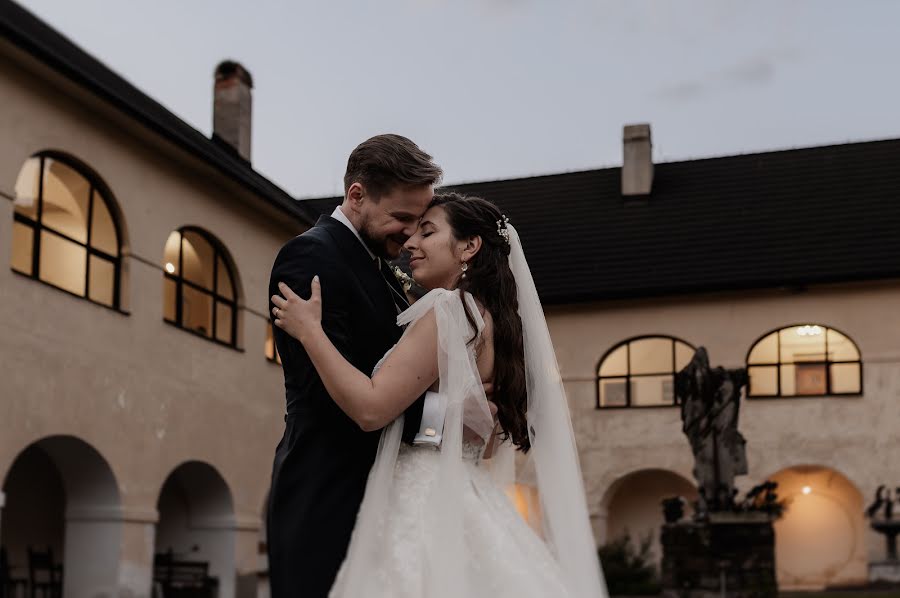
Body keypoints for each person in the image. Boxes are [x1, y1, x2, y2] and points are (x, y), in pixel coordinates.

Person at [271, 193, 608, 598]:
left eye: (427, 232)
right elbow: (479, 441)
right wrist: (442, 416)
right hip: (463, 491)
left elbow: (370, 408)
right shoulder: (490, 319)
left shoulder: (450, 309)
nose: (411, 242)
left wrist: (310, 331)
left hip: (421, 498)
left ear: (469, 246)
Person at [266, 134, 442, 597]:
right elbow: (334, 399)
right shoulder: (310, 257)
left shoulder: (384, 267)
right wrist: (451, 422)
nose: (409, 235)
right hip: (328, 489)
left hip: (382, 488)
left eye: (418, 221)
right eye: (402, 218)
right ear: (357, 195)